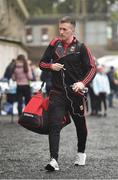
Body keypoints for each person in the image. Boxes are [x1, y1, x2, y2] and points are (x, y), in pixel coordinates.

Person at [39, 16, 96, 171]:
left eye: (64, 29)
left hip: (76, 94)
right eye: (60, 28)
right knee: (54, 125)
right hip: (57, 93)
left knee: (80, 126)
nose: (61, 31)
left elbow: (92, 68)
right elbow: (41, 63)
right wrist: (51, 66)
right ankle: (53, 160)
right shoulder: (54, 45)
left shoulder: (82, 48)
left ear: (72, 30)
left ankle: (81, 152)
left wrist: (82, 83)